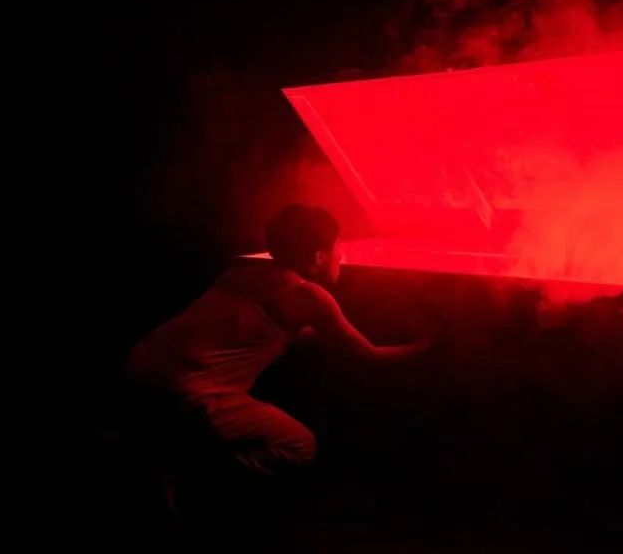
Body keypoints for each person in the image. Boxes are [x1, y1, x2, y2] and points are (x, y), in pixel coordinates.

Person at [125, 204, 435, 478]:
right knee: (301, 446)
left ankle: (167, 455)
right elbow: (370, 355)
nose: (341, 254)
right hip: (190, 396)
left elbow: (260, 331)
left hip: (137, 369)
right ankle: (196, 472)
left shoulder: (238, 273)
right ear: (319, 256)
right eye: (338, 246)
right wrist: (426, 344)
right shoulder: (309, 297)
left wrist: (342, 329)